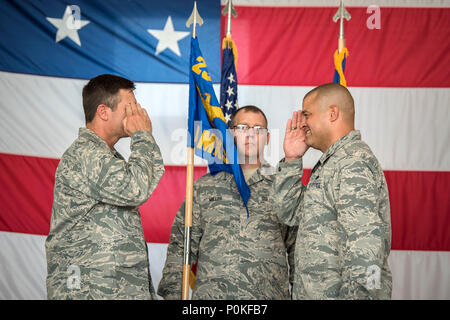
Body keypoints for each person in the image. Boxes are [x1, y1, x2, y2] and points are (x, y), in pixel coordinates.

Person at [157, 105, 297, 299]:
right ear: (230, 134)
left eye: (258, 129)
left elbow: (297, 251)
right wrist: (173, 294)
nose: (250, 134)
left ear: (267, 138)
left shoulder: (284, 185)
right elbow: (181, 245)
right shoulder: (204, 187)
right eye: (242, 128)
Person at [45, 74, 165, 299]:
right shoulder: (86, 154)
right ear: (103, 112)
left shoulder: (105, 156)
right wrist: (142, 136)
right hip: (89, 288)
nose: (137, 113)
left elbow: (139, 182)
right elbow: (135, 188)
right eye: (130, 107)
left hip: (109, 287)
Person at [274, 83, 392, 299]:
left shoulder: (352, 163)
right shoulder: (333, 163)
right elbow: (289, 213)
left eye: (307, 115)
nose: (303, 124)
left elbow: (366, 249)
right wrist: (291, 159)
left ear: (332, 113)